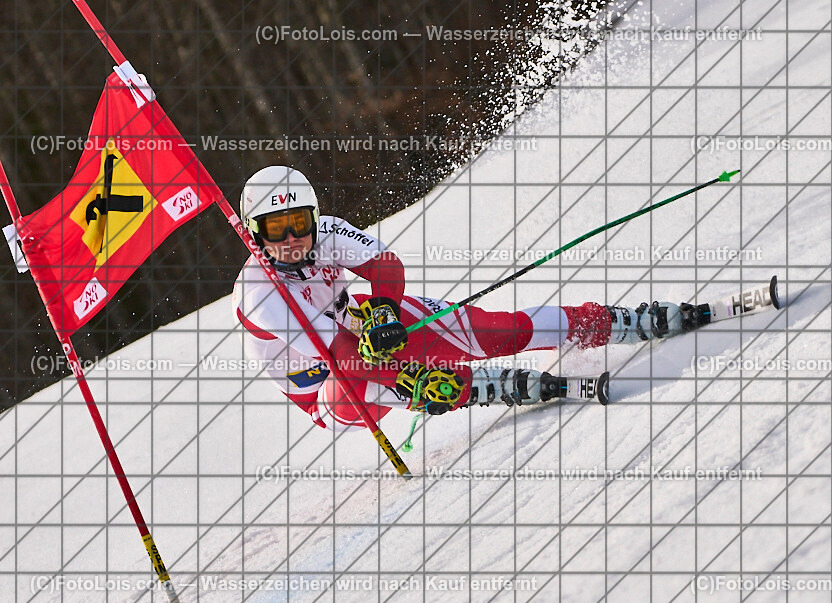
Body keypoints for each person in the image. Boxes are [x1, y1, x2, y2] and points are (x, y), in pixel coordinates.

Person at [231, 166, 701, 431]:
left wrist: (387, 311)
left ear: (314, 216)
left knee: (498, 330)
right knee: (358, 386)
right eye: (276, 229)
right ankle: (477, 386)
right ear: (255, 232)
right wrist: (416, 378)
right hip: (334, 387)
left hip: (367, 330)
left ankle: (613, 322)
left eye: (299, 223)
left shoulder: (327, 232)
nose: (292, 238)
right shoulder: (258, 293)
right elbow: (342, 355)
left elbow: (386, 266)